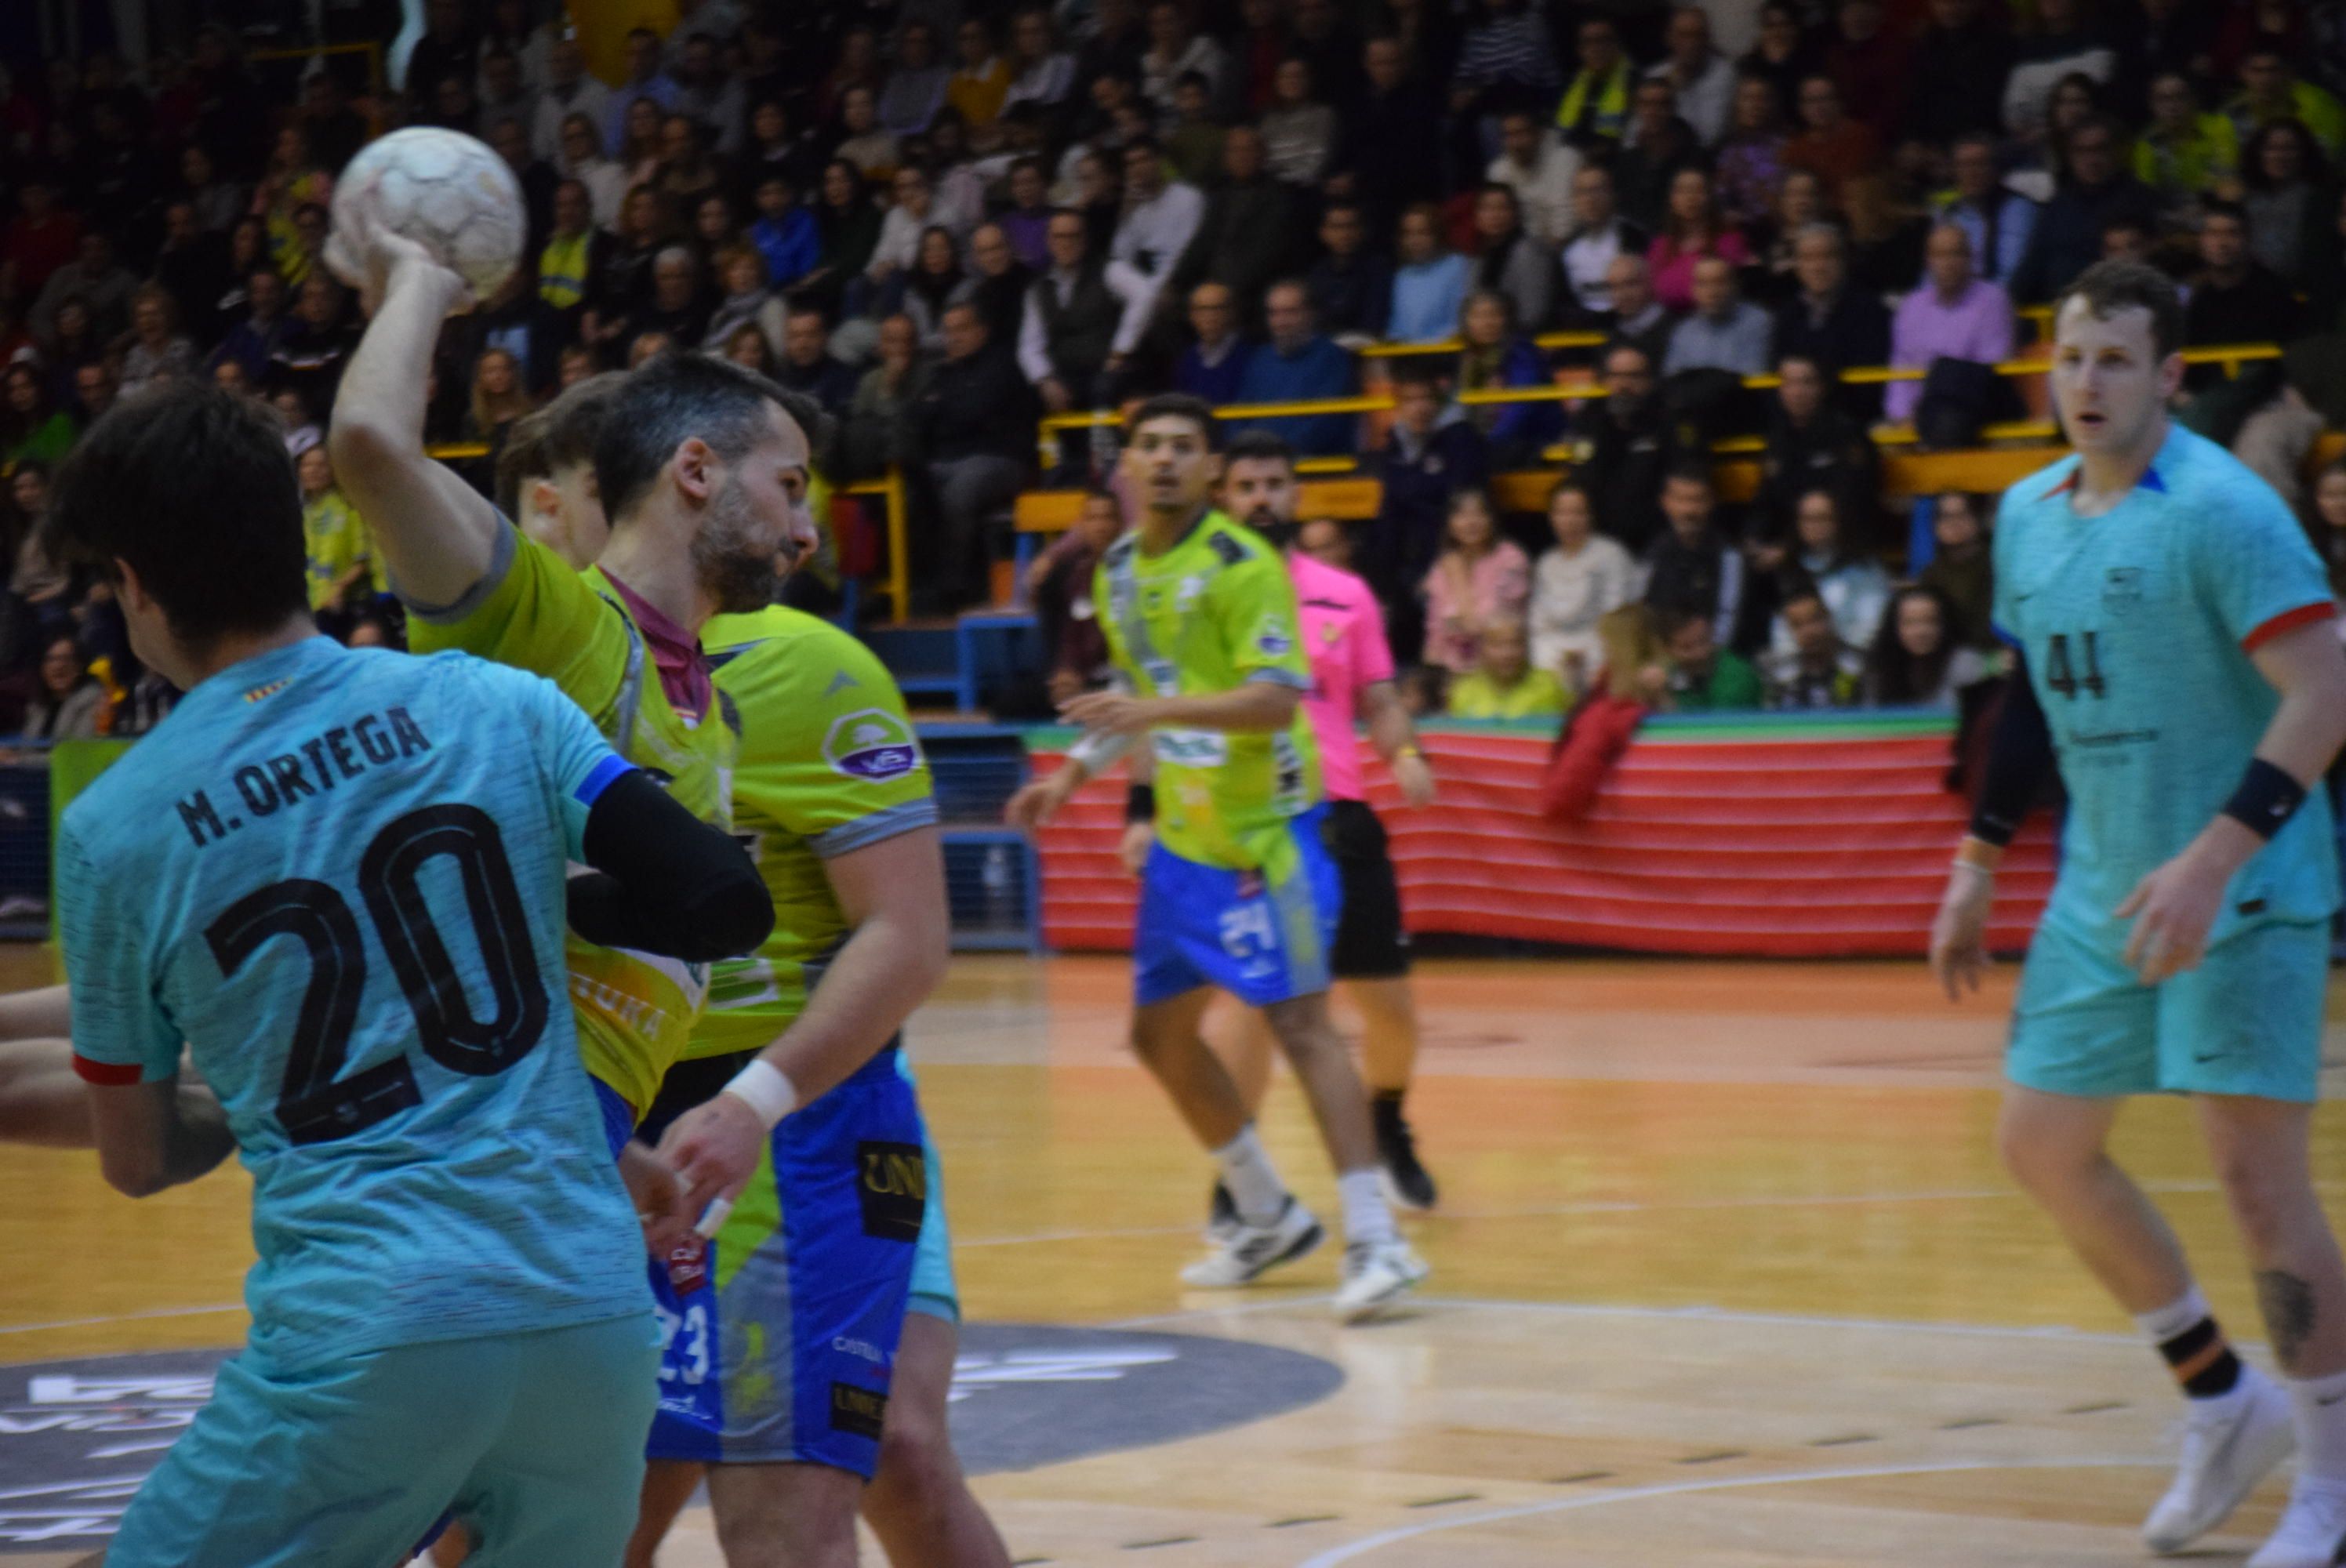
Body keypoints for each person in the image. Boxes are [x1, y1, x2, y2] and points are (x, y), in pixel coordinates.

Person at [43, 378, 772, 1567]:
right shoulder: (497, 704)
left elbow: (137, 1158)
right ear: (292, 538)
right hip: (591, 1321)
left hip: (367, 1339)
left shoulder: (115, 826)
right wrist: (542, 898)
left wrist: (253, 1091)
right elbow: (722, 901)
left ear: (132, 582)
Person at [1930, 259, 2346, 1568]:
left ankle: (2334, 1486)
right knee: (2042, 1145)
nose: (2085, 383)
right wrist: (1980, 854)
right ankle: (2225, 1402)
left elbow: (2323, 697)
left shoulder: (2224, 511)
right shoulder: (2026, 514)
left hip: (2247, 886)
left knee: (2257, 1191)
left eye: (2114, 360)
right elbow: (2034, 686)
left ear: (2169, 375)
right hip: (2102, 885)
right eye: (2068, 358)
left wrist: (2213, 859)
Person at [1004, 395, 1430, 1320]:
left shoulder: (1243, 566)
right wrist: (1073, 775)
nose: (1162, 461)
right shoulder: (1114, 567)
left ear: (1208, 471)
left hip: (1265, 837)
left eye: (1182, 448)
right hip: (1185, 844)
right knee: (1157, 1035)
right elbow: (1138, 692)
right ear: (1127, 466)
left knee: (1303, 1027)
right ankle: (1267, 1211)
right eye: (1148, 446)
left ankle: (1378, 1240)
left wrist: (1147, 718)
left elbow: (1278, 699)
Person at [633, 569, 1014, 1568]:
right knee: (595, 1499)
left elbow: (911, 935)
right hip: (617, 1130)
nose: (803, 530)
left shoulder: (807, 664)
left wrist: (758, 1094)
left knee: (896, 1446)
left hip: (805, 1119)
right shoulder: (525, 663)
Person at [1204, 431, 1442, 1214]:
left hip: (1341, 816)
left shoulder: (1345, 593)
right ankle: (1240, 1181)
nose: (1262, 498)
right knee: (1249, 1005)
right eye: (1246, 486)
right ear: (1225, 498)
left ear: (1295, 496)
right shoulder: (1203, 599)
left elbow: (1378, 698)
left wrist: (1402, 749)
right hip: (1250, 824)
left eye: (1274, 483)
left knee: (1389, 1010)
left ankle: (1389, 1118)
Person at [1530, 479, 1640, 686]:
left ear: (1590, 516)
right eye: (1562, 513)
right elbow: (1539, 622)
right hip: (1555, 648)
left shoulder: (1611, 554)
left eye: (1578, 513)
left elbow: (1615, 614)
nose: (1570, 521)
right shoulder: (1546, 563)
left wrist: (1584, 653)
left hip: (1598, 643)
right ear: (1552, 518)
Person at [1421, 487, 1532, 675]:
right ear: (1450, 523)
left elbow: (1488, 626)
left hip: (1500, 669)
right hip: (1450, 673)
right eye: (1462, 515)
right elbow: (1435, 634)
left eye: (1479, 514)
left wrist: (1458, 579)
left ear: (1492, 520)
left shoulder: (1511, 560)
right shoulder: (1442, 566)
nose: (1471, 523)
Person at [1865, 583, 1988, 707]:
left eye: (1930, 621)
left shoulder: (1965, 663)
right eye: (1910, 622)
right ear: (1894, 628)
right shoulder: (1880, 669)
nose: (1921, 631)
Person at [1763, 585, 1865, 706]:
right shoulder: (1781, 679)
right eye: (1798, 625)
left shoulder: (1859, 668)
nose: (1809, 632)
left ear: (1828, 617)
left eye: (1814, 620)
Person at [1448, 618, 1569, 718]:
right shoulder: (1464, 692)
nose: (1507, 654)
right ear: (1482, 649)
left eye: (1515, 644)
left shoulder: (1548, 687)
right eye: (1497, 645)